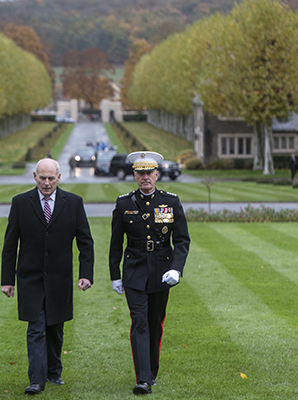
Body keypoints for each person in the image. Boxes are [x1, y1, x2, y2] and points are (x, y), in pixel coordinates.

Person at [1, 158, 94, 395]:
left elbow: (85, 242)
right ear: (34, 177)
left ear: (59, 178)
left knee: (55, 327)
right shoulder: (21, 203)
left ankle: (54, 372)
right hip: (29, 277)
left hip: (60, 278)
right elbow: (10, 244)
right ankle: (37, 380)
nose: (46, 183)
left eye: (51, 178)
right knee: (35, 328)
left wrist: (86, 274)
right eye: (42, 178)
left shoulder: (73, 203)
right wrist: (7, 280)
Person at [109, 151, 190, 395]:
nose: (145, 177)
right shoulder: (124, 203)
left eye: (149, 173)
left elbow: (182, 240)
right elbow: (115, 242)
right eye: (140, 173)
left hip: (162, 268)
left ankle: (151, 371)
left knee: (155, 322)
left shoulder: (170, 202)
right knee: (140, 321)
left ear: (157, 174)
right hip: (134, 269)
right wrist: (115, 274)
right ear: (134, 175)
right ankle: (142, 379)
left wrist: (176, 268)